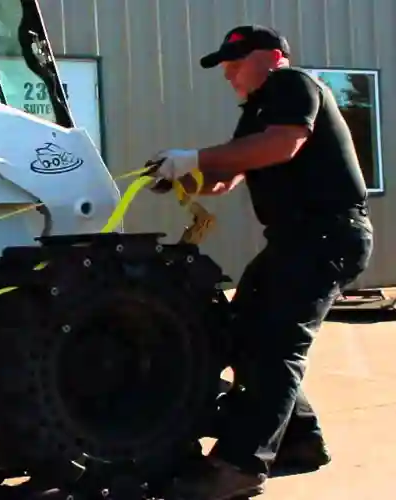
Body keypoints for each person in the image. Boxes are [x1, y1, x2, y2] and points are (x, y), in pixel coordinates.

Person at [145, 25, 375, 500]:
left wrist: (194, 156)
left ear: (270, 57)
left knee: (275, 344)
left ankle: (240, 465)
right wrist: (185, 177)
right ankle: (299, 442)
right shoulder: (257, 112)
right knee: (244, 332)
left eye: (235, 61)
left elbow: (285, 143)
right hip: (297, 240)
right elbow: (228, 178)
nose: (228, 73)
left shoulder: (293, 86)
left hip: (328, 236)